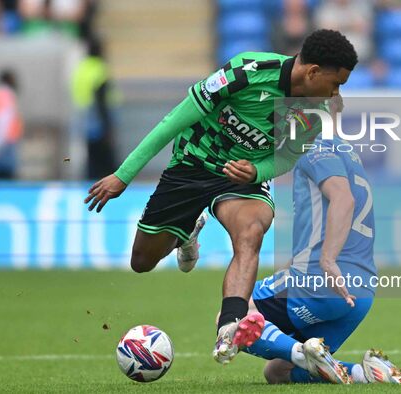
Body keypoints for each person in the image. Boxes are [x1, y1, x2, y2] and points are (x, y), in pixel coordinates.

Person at [84, 29, 358, 364]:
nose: (336, 93)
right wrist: (123, 175)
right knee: (142, 262)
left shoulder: (318, 112)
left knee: (251, 232)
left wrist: (256, 172)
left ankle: (230, 327)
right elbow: (174, 120)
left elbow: (286, 157)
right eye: (336, 83)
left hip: (242, 179)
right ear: (313, 72)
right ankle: (188, 233)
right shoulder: (247, 72)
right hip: (194, 162)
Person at [200, 134, 401, 384]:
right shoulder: (347, 152)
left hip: (323, 282)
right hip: (361, 292)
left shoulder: (314, 147)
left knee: (232, 314)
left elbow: (344, 199)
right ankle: (368, 375)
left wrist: (328, 261)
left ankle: (302, 353)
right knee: (277, 373)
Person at [71, 36, 117, 179]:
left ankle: (90, 183)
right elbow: (101, 98)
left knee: (91, 156)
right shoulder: (99, 68)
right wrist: (108, 126)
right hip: (97, 117)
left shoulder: (81, 68)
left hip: (83, 115)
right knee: (104, 157)